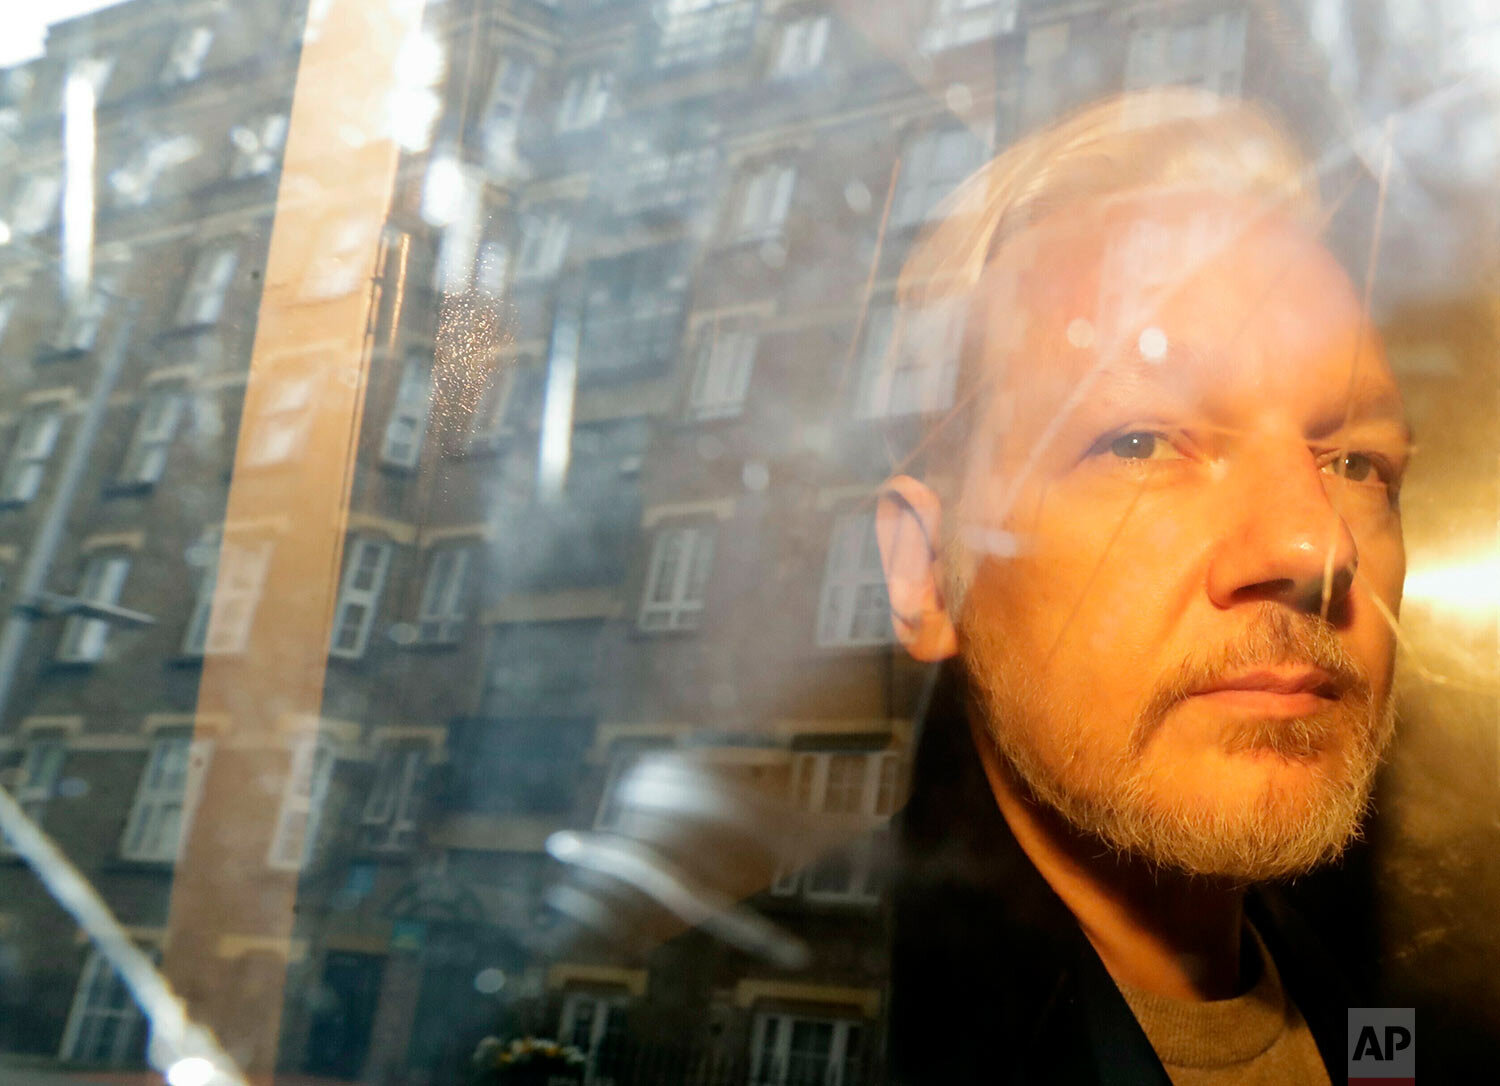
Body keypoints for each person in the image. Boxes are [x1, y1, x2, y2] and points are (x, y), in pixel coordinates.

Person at [875, 89, 1409, 1084]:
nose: (1315, 543)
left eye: (1356, 464)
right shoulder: (858, 1031)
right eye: (1140, 440)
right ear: (926, 576)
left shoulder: (1378, 1021)